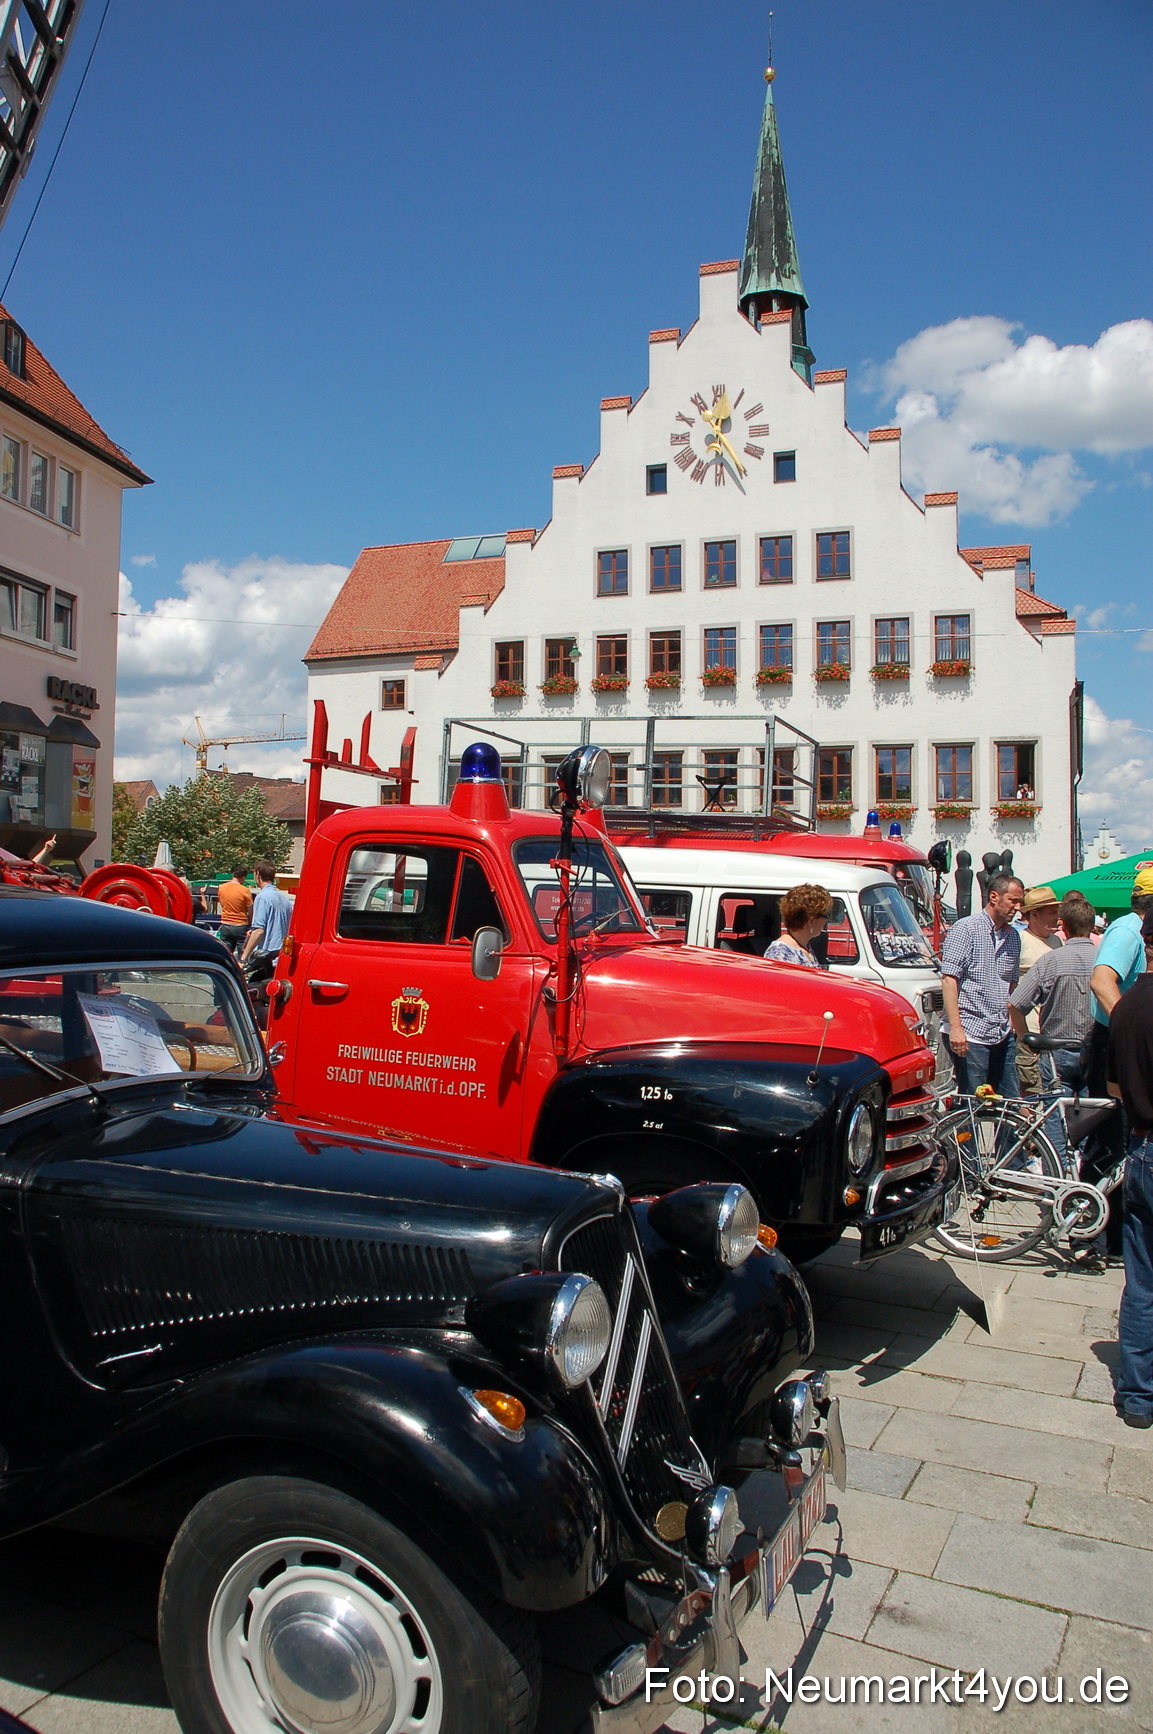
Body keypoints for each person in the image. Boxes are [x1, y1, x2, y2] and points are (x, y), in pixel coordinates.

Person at [1084, 866, 1153, 1242]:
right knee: (1112, 1139)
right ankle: (1099, 1233)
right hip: (1114, 1041)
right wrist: (1130, 1027)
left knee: (1118, 1138)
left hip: (1121, 1038)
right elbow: (1101, 980)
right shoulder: (1129, 931)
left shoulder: (1131, 927)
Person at [1106, 909, 1153, 1428]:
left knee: (1141, 1280)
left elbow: (1117, 1088)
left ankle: (1138, 1395)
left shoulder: (1128, 1006)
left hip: (1141, 1146)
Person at [1008, 893, 1097, 1154]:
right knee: (1094, 1118)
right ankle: (1087, 1175)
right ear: (1092, 927)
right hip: (1093, 1048)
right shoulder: (1105, 961)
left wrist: (1025, 1037)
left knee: (1055, 1121)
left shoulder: (1050, 960)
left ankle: (1057, 1177)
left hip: (1056, 1050)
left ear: (1064, 927)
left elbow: (1015, 1004)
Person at [940, 872, 1024, 1095]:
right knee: (973, 1102)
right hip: (970, 1030)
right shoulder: (966, 928)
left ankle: (1005, 1132)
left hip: (1001, 1031)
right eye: (1013, 900)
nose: (1017, 907)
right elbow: (949, 979)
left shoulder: (1013, 937)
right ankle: (962, 1131)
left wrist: (1013, 1024)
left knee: (1010, 1102)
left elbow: (1011, 984)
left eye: (1020, 902)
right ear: (994, 897)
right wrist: (956, 1029)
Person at [1013, 885, 1063, 1094]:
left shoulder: (1057, 941)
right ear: (1034, 914)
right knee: (1032, 1093)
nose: (1057, 917)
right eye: (1051, 912)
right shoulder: (1020, 942)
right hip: (1031, 1032)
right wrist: (1022, 1034)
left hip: (1054, 1032)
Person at [240, 859, 294, 1006]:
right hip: (280, 959)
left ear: (257, 874)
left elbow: (258, 930)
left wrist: (243, 959)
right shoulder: (284, 899)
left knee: (252, 997)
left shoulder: (263, 897)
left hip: (265, 959)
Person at [764, 883, 832, 970]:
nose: (826, 920)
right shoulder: (779, 954)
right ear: (811, 921)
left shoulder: (804, 946)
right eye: (825, 916)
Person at [216, 866, 253, 956]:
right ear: (243, 877)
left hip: (225, 923)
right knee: (242, 954)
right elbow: (250, 910)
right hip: (240, 924)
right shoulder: (245, 890)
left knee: (226, 953)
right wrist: (250, 924)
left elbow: (221, 902)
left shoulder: (222, 888)